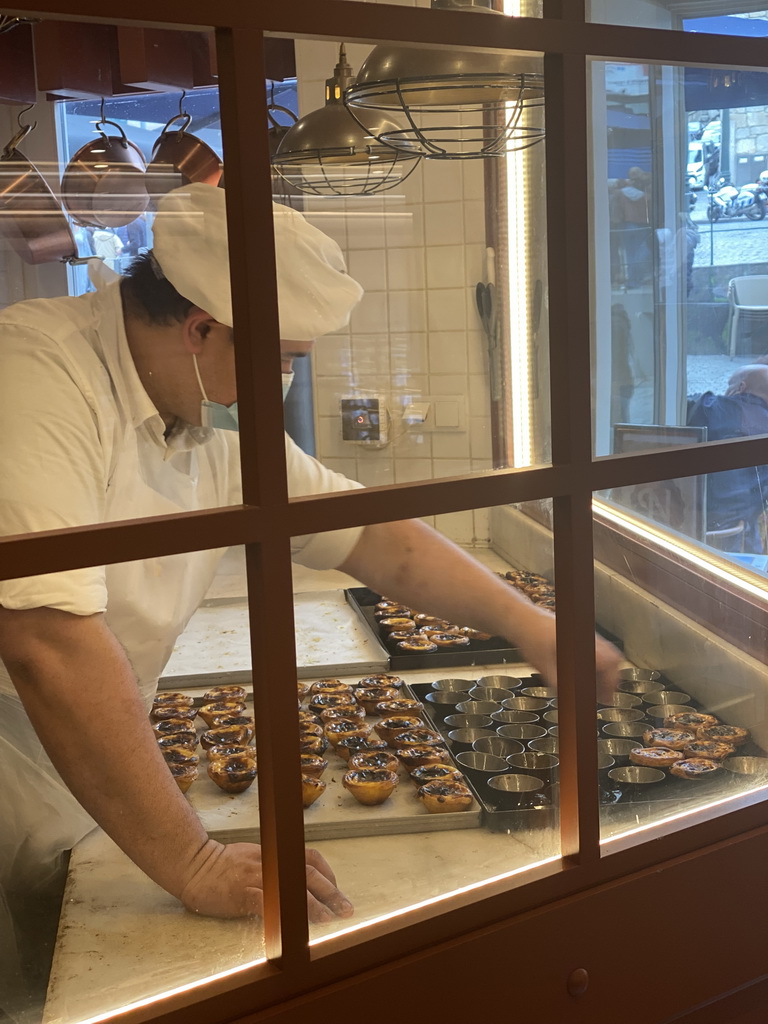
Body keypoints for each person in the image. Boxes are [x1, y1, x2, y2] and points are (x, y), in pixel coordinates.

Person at [0, 184, 620, 1019]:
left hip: (93, 754)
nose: (286, 377)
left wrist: (532, 627)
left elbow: (370, 535)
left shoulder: (199, 409)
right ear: (202, 330)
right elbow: (46, 642)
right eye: (283, 354)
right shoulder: (35, 377)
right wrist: (192, 861)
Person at [687, 364, 768, 552]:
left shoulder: (718, 409)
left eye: (728, 385)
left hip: (704, 533)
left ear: (740, 388)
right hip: (744, 535)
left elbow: (680, 404)